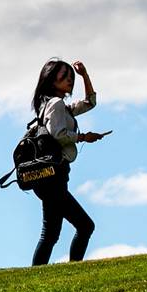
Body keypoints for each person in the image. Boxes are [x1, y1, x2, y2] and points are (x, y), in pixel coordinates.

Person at [29, 58, 107, 266]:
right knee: (85, 226)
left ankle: (35, 276)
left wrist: (85, 76)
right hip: (53, 177)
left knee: (51, 234)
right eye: (64, 76)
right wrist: (83, 137)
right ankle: (74, 270)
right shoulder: (55, 104)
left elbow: (90, 102)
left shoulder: (59, 106)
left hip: (52, 177)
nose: (69, 80)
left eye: (70, 76)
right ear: (51, 80)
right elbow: (58, 133)